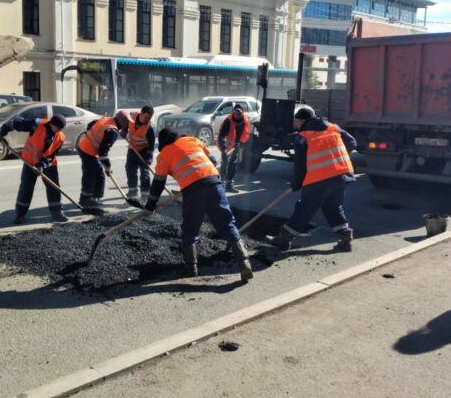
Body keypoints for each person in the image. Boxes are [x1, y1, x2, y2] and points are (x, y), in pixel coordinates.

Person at [143, 128, 253, 283]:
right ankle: (244, 263)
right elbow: (213, 161)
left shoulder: (164, 154)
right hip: (215, 183)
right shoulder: (193, 140)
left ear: (163, 142)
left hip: (193, 191)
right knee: (227, 223)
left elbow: (158, 183)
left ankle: (191, 269)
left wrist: (150, 205)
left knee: (190, 228)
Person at [266, 105, 357, 251]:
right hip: (342, 175)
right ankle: (345, 237)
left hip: (320, 179)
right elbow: (352, 142)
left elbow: (300, 167)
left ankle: (283, 239)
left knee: (304, 208)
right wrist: (337, 158)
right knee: (333, 207)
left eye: (296, 121)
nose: (295, 124)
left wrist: (296, 183)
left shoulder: (303, 137)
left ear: (302, 121)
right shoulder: (333, 128)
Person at [0, 114, 67, 224]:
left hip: (49, 165)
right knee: (26, 188)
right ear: (52, 124)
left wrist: (41, 166)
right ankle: (20, 214)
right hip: (29, 162)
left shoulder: (60, 137)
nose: (59, 130)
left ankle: (57, 213)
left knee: (54, 187)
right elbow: (15, 122)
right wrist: (2, 132)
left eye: (60, 129)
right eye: (57, 128)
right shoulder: (36, 125)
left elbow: (50, 156)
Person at [77, 110, 132, 210]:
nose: (128, 124)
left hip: (83, 145)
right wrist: (108, 166)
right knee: (96, 176)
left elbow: (91, 124)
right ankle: (92, 200)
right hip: (89, 152)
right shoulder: (112, 131)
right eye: (127, 122)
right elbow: (103, 152)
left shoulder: (107, 119)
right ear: (122, 121)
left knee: (91, 175)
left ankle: (87, 199)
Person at [121, 105, 156, 201]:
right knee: (130, 169)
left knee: (144, 173)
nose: (147, 120)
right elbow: (126, 123)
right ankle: (132, 192)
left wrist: (148, 159)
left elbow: (151, 146)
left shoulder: (150, 128)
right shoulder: (132, 116)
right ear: (140, 113)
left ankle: (145, 195)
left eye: (149, 118)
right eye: (145, 117)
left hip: (144, 151)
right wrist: (124, 130)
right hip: (132, 148)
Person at [216, 103, 250, 193]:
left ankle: (229, 186)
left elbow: (245, 133)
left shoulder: (244, 120)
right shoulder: (228, 121)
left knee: (233, 166)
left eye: (239, 113)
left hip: (236, 146)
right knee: (224, 166)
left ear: (242, 113)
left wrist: (240, 143)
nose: (237, 115)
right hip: (227, 146)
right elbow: (221, 135)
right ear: (233, 112)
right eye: (235, 112)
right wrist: (223, 150)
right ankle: (221, 187)